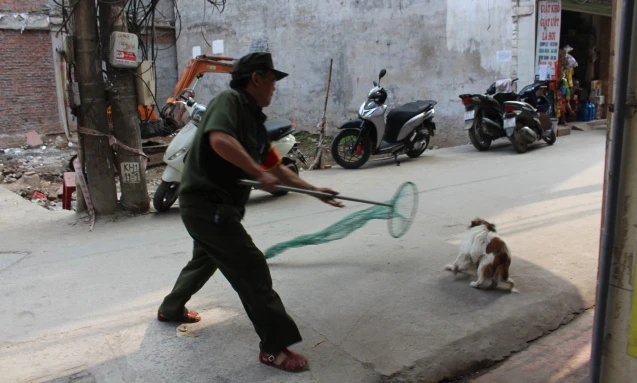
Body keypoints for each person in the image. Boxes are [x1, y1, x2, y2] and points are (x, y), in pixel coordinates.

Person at [156, 52, 343, 373]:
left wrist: (315, 191)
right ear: (256, 78)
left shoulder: (254, 119)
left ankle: (170, 308)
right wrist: (258, 173)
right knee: (252, 268)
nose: (274, 88)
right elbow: (220, 139)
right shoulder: (229, 101)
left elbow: (275, 166)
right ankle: (273, 348)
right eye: (272, 81)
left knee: (205, 259)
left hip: (213, 207)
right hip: (208, 205)